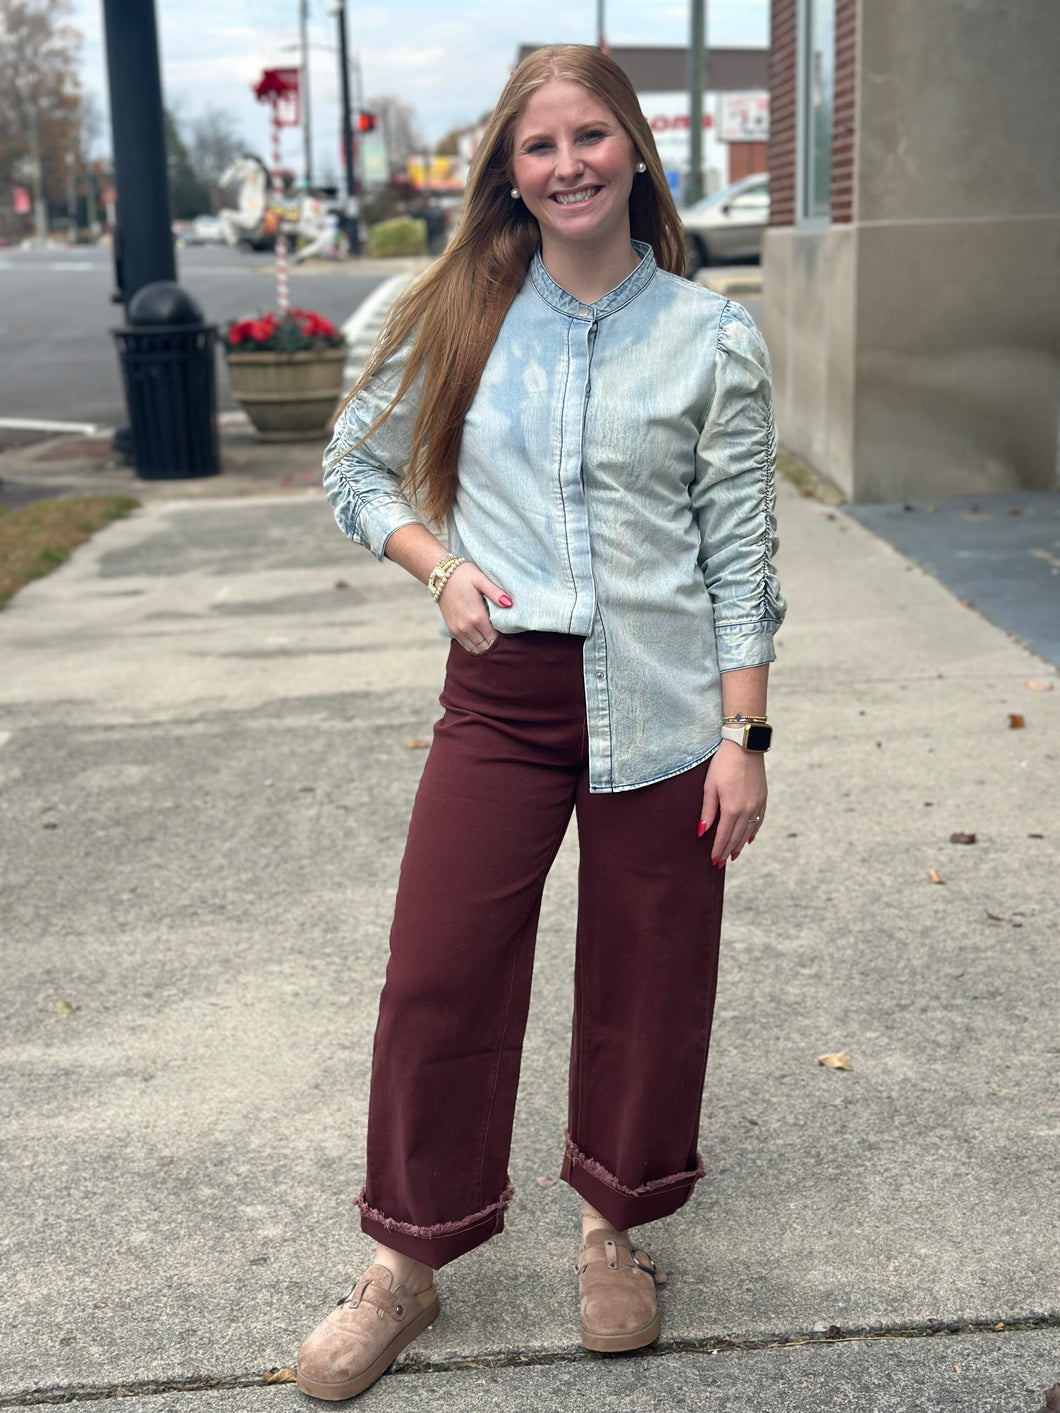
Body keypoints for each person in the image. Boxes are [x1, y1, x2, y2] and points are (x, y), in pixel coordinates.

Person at [296, 43, 785, 1401]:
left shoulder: (710, 336)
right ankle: (404, 1259)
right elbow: (355, 467)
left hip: (671, 705)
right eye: (536, 144)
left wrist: (745, 741)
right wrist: (437, 565)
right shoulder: (453, 310)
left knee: (647, 979)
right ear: (508, 172)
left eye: (589, 136)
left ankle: (613, 1223)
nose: (566, 164)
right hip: (504, 697)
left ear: (635, 148)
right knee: (438, 967)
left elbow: (739, 553)